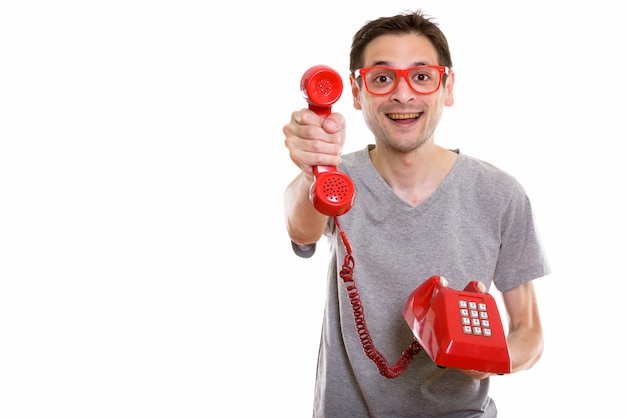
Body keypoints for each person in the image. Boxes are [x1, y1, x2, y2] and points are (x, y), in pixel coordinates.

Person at [282, 9, 550, 417]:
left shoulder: (501, 193)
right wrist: (312, 171)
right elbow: (300, 228)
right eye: (382, 77)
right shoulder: (337, 178)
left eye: (421, 76)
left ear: (448, 87)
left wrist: (491, 360)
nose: (403, 95)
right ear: (356, 92)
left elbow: (529, 332)